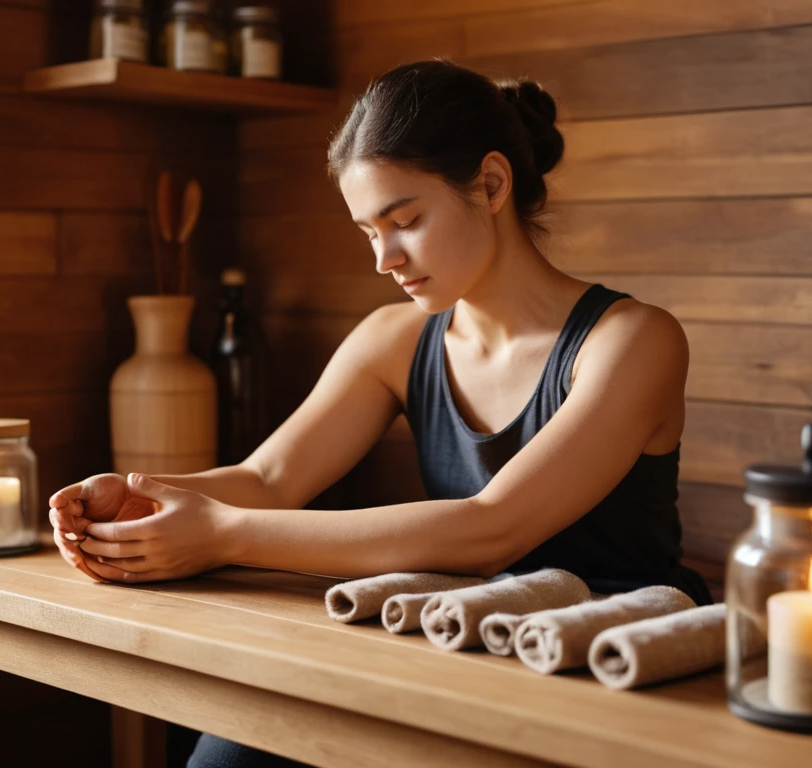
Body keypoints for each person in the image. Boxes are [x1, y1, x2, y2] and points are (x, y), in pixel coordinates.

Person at [48, 59, 711, 768]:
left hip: (615, 658)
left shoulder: (632, 340)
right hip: (462, 635)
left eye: (406, 221)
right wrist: (139, 497)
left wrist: (223, 535)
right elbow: (270, 477)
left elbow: (492, 527)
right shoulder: (393, 340)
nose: (384, 259)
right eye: (368, 231)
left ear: (491, 184)